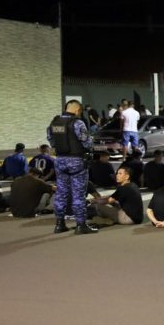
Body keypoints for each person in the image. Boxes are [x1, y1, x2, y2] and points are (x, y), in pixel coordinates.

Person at [47, 100, 97, 234]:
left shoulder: (54, 122)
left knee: (61, 192)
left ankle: (59, 224)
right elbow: (86, 143)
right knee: (78, 194)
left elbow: (51, 140)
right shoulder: (77, 123)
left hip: (60, 160)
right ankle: (81, 225)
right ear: (77, 110)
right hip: (76, 161)